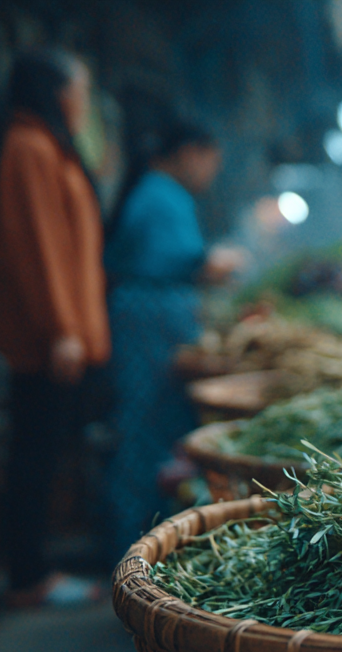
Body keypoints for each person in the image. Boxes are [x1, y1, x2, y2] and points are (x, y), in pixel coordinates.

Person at [0, 50, 108, 608]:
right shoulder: (30, 147)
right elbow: (37, 250)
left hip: (65, 335)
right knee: (35, 456)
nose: (85, 101)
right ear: (59, 91)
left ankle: (35, 568)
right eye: (82, 89)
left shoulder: (50, 145)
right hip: (49, 340)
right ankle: (28, 577)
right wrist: (64, 330)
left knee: (44, 453)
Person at [103, 120, 240, 560]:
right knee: (146, 428)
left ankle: (145, 541)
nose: (211, 173)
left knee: (150, 427)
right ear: (188, 152)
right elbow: (187, 262)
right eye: (211, 162)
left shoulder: (154, 190)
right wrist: (216, 264)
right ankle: (135, 549)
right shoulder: (162, 195)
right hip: (149, 321)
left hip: (150, 318)